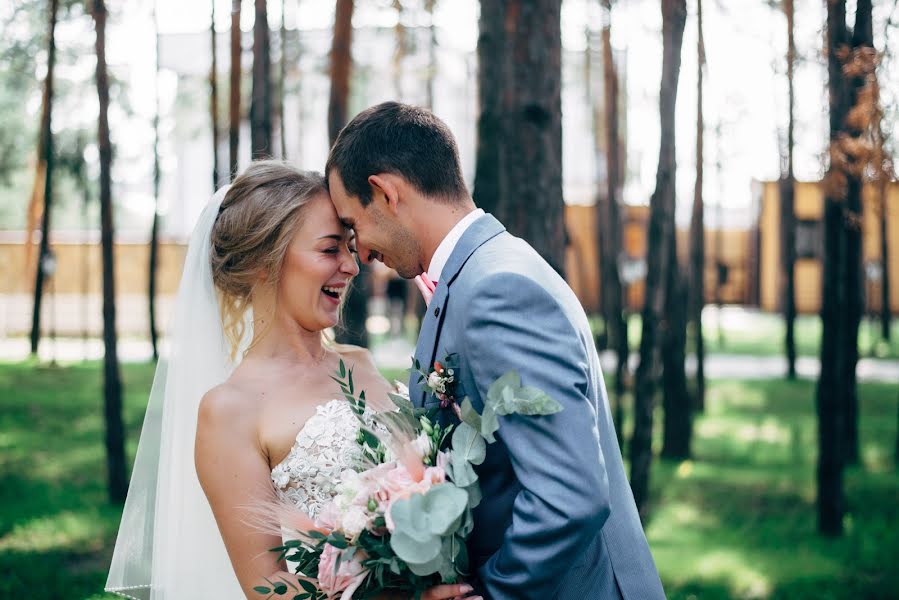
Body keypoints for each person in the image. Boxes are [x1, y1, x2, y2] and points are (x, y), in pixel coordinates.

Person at [326, 102, 666, 600]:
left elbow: (568, 497)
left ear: (385, 192)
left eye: (355, 226)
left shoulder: (495, 288)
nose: (361, 252)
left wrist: (489, 594)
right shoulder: (477, 274)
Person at [106, 161, 479, 600]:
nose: (352, 266)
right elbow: (267, 587)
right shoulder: (229, 410)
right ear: (266, 263)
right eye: (329, 250)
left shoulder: (361, 362)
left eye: (349, 246)